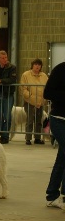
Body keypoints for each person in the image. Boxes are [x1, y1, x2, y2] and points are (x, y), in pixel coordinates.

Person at [43, 62, 65, 210]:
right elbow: (48, 93)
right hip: (58, 119)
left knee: (62, 157)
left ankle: (52, 195)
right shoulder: (60, 69)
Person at [20, 58, 48, 145]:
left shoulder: (44, 76)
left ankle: (37, 138)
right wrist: (32, 99)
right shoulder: (26, 75)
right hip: (29, 102)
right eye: (35, 64)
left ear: (41, 66)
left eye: (39, 65)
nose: (37, 66)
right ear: (32, 65)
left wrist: (42, 100)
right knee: (30, 120)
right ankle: (28, 138)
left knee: (38, 120)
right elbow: (23, 89)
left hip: (40, 102)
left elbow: (47, 88)